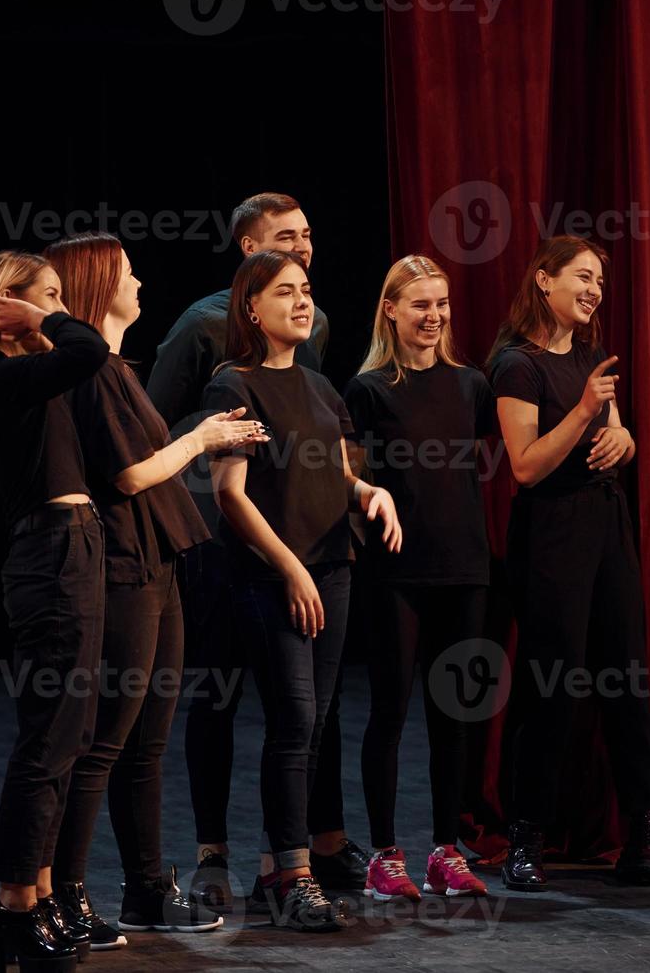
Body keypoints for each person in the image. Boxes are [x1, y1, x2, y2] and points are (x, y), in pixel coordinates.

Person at [145, 192, 372, 905]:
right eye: (285, 244)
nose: (302, 255)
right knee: (220, 694)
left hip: (305, 539)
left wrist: (360, 491)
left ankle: (301, 853)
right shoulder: (203, 333)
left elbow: (317, 431)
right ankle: (217, 849)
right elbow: (155, 429)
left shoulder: (315, 338)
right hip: (224, 537)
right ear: (249, 257)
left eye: (308, 242)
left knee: (305, 710)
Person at [42, 232, 257, 947]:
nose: (142, 282)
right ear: (101, 286)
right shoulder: (90, 371)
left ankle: (143, 888)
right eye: (129, 273)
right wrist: (199, 439)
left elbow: (143, 460)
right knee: (104, 741)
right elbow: (130, 476)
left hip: (158, 560)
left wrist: (198, 431)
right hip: (125, 566)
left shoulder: (120, 370)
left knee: (146, 744)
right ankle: (66, 894)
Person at [203, 249, 402, 932]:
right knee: (292, 722)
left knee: (315, 723)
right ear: (251, 308)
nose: (301, 301)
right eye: (284, 291)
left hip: (335, 566)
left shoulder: (323, 389)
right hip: (273, 576)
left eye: (306, 290)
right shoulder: (233, 384)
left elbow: (334, 474)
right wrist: (289, 568)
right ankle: (294, 875)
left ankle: (272, 870)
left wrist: (369, 490)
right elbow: (230, 494)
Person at [488, 235, 650, 893]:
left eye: (599, 281)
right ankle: (527, 837)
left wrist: (623, 436)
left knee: (625, 678)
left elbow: (618, 435)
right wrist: (590, 411)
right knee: (553, 685)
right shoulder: (518, 366)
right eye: (582, 277)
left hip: (606, 525)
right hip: (551, 535)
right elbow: (527, 466)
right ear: (544, 280)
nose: (594, 290)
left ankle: (646, 831)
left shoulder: (592, 356)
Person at [0, 251, 108, 972]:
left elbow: (89, 360)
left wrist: (43, 319)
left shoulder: (26, 382)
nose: (57, 311)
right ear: (6, 309)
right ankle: (14, 906)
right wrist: (48, 321)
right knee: (48, 737)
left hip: (71, 549)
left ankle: (34, 895)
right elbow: (89, 346)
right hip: (50, 556)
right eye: (43, 299)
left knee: (68, 734)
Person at [344, 254, 494, 901]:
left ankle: (444, 851)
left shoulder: (471, 384)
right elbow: (349, 478)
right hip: (396, 572)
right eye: (420, 306)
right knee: (389, 710)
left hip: (465, 567)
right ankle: (384, 853)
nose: (433, 317)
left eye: (442, 306)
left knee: (453, 715)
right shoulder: (369, 388)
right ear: (392, 310)